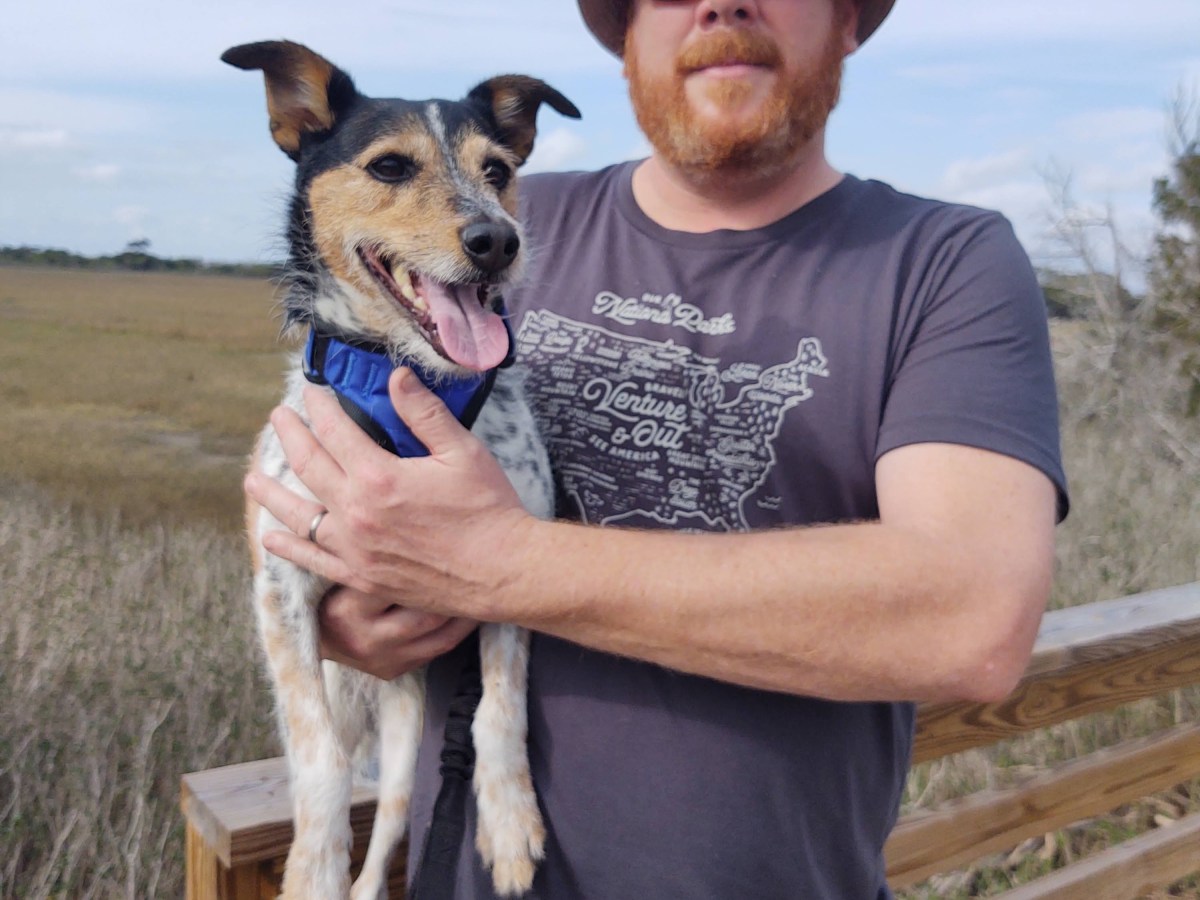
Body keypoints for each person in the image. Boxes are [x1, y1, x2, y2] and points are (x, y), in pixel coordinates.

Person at [244, 0, 1069, 896]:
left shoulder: (945, 262)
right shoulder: (500, 231)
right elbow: (340, 499)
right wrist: (351, 619)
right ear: (626, 42)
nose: (723, 1)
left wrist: (507, 561)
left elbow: (973, 623)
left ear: (845, 25)